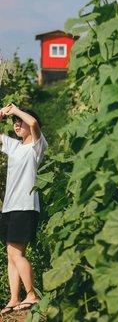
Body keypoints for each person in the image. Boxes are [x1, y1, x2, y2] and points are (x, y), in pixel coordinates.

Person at [0, 103, 48, 314]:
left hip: (26, 206)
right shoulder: (14, 146)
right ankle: (13, 299)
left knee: (15, 252)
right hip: (10, 207)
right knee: (11, 254)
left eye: (20, 121)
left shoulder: (37, 146)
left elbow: (33, 122)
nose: (16, 124)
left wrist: (16, 110)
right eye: (14, 123)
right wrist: (2, 114)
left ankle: (31, 295)